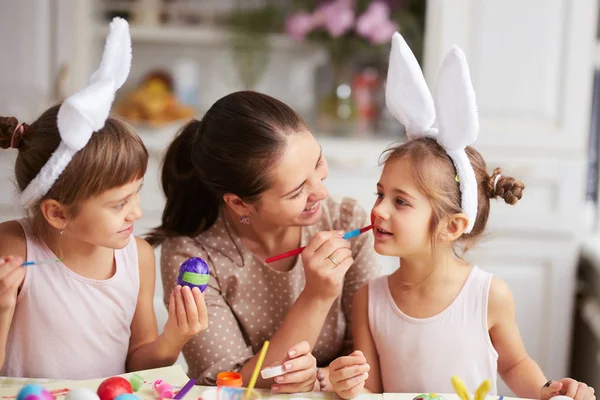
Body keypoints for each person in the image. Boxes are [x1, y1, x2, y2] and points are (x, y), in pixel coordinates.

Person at [328, 32, 596, 400]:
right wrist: (348, 385)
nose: (378, 210)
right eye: (380, 194)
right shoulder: (367, 300)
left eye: (400, 201)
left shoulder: (489, 295)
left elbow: (514, 364)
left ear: (452, 226)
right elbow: (373, 391)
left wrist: (547, 392)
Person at [0, 18, 206, 379]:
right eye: (118, 204)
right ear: (57, 214)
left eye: (136, 194)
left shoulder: (137, 257)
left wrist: (174, 338)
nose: (136, 213)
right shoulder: (13, 247)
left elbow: (138, 363)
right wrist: (3, 306)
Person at [147, 90, 381, 391]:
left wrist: (322, 377)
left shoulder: (346, 220)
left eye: (318, 163)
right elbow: (224, 383)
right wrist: (317, 295)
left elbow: (368, 362)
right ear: (240, 204)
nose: (321, 193)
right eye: (297, 192)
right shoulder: (194, 257)